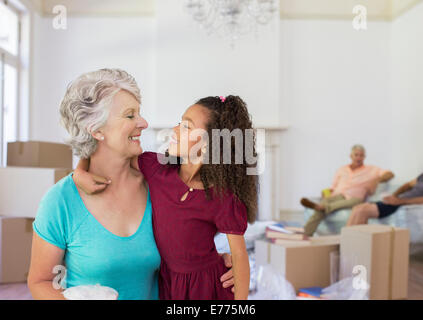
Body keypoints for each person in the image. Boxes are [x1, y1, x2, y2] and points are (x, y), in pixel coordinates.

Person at [27, 69, 234, 300]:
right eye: (129, 115)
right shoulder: (60, 201)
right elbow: (40, 281)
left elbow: (194, 231)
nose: (144, 123)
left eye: (139, 113)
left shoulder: (159, 181)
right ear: (96, 130)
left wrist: (220, 260)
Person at [75, 95, 257, 300]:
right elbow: (110, 148)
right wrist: (79, 171)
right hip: (165, 282)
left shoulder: (223, 198)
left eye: (187, 127)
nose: (175, 130)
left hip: (206, 287)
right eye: (180, 123)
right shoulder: (157, 169)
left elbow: (240, 257)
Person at [301, 145, 394, 237]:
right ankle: (306, 233)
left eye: (361, 155)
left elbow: (390, 174)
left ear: (364, 157)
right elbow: (333, 187)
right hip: (338, 195)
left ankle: (320, 208)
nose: (359, 158)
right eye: (356, 155)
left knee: (323, 207)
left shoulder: (372, 169)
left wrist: (377, 180)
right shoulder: (342, 169)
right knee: (324, 202)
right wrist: (326, 193)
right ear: (351, 156)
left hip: (355, 198)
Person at [347, 173, 423, 226]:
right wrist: (394, 195)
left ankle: (355, 245)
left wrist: (399, 201)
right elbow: (408, 185)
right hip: (398, 200)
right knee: (358, 208)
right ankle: (347, 242)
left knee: (362, 211)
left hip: (403, 203)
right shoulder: (421, 176)